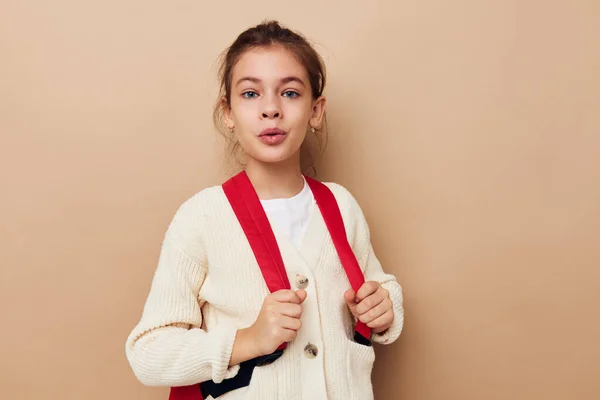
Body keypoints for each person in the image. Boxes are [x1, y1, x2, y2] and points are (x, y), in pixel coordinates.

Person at [125, 20, 404, 400]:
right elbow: (148, 353)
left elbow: (377, 287)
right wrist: (246, 340)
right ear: (227, 111)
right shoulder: (202, 218)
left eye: (290, 93)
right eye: (251, 94)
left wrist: (384, 306)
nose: (271, 109)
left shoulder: (342, 206)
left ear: (316, 110)